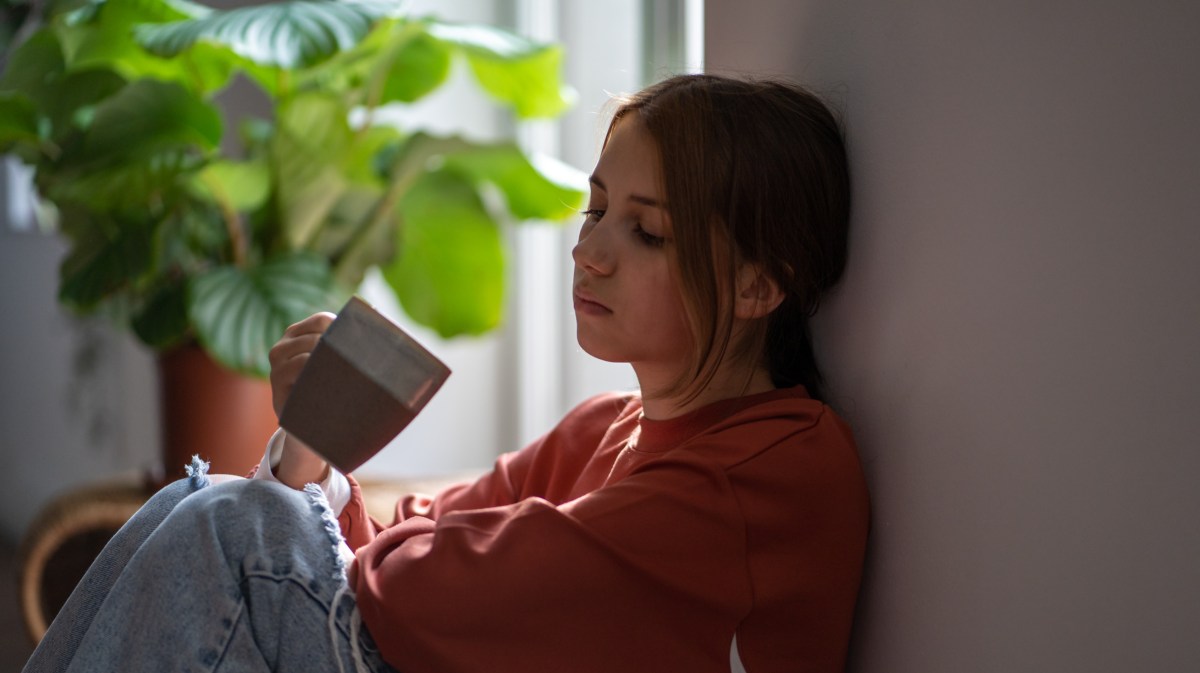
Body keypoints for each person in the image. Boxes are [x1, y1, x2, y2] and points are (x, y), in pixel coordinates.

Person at [24, 73, 869, 673]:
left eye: (647, 232)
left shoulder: (767, 477)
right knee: (207, 510)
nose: (591, 250)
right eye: (597, 208)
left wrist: (300, 495)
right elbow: (419, 534)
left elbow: (417, 593)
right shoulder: (605, 430)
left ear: (759, 283)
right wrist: (308, 448)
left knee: (238, 532)